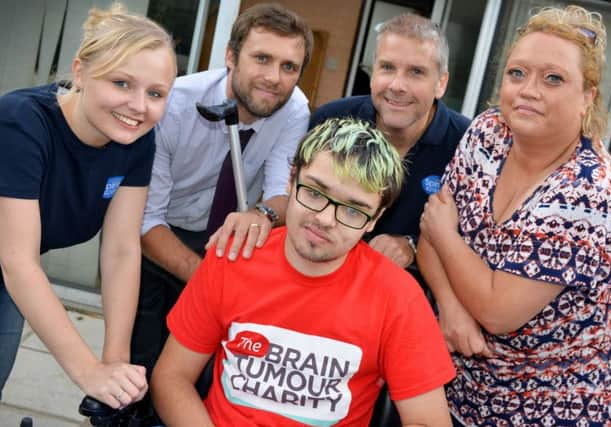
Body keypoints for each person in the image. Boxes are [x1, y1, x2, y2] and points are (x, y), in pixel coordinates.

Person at [150, 118, 455, 426]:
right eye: (315, 193)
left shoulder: (398, 298)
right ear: (291, 181)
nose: (325, 219)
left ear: (374, 219)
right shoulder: (233, 258)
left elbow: (428, 421)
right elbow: (171, 378)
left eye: (352, 210)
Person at [417, 5, 611, 426]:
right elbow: (427, 235)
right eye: (517, 73)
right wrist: (450, 306)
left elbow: (498, 310)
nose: (528, 90)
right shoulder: (488, 132)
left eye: (553, 78)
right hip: (466, 386)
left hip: (563, 405)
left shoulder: (590, 192)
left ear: (587, 97)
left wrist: (447, 236)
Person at [0, 3, 176, 409]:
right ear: (80, 72)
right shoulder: (22, 122)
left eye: (155, 94)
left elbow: (120, 249)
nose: (138, 105)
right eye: (122, 83)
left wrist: (115, 360)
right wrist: (88, 371)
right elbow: (18, 261)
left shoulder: (137, 139)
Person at [130, 3, 313, 379]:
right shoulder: (175, 105)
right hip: (161, 242)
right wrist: (212, 282)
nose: (274, 78)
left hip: (231, 241)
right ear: (231, 56)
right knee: (140, 371)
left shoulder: (294, 109)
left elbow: (281, 195)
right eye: (261, 58)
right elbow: (145, 223)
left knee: (209, 377)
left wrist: (261, 214)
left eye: (289, 67)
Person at [309, 14, 469, 296]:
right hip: (319, 283)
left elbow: (472, 239)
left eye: (416, 72)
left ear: (441, 84)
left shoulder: (467, 144)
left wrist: (413, 245)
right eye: (387, 67)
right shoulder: (330, 120)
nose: (397, 85)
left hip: (405, 300)